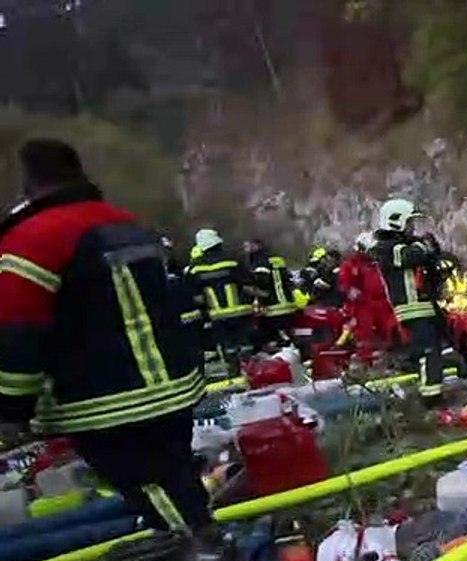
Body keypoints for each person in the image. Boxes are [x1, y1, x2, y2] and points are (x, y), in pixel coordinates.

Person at [0, 139, 213, 536]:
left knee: (155, 493)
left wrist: (11, 409)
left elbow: (17, 332)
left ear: (28, 182)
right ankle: (209, 558)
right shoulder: (126, 223)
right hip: (174, 385)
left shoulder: (31, 241)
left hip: (105, 399)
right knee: (176, 484)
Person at [370, 199, 452, 404]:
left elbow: (429, 258)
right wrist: (425, 245)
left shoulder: (403, 244)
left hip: (425, 307)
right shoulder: (387, 247)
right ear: (395, 222)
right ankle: (431, 399)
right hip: (412, 309)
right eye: (409, 223)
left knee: (448, 341)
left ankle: (466, 374)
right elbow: (412, 255)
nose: (412, 228)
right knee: (428, 352)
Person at [185, 228, 256, 378]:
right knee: (245, 343)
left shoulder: (195, 267)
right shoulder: (233, 260)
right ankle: (252, 371)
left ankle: (234, 374)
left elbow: (197, 298)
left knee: (227, 346)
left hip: (218, 315)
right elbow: (248, 286)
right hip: (242, 311)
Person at [338, 231, 403, 364]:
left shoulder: (379, 262)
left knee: (391, 328)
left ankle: (392, 357)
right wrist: (353, 292)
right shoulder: (352, 264)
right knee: (364, 332)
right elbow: (344, 284)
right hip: (363, 304)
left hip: (384, 302)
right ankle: (365, 360)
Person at [244, 237, 298, 351]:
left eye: (248, 246)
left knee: (273, 338)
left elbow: (262, 283)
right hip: (288, 303)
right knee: (288, 336)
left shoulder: (259, 261)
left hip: (273, 307)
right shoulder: (277, 259)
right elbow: (288, 279)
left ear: (257, 246)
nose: (245, 249)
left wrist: (254, 293)